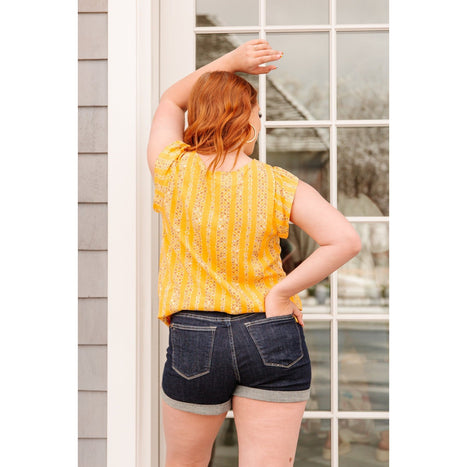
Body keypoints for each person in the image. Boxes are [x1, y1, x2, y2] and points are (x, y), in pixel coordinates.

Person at [146, 39, 361, 467]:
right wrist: (281, 294)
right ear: (245, 122)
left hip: (195, 336)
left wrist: (232, 63)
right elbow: (345, 240)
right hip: (270, 331)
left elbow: (172, 98)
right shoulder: (277, 183)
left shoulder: (172, 169)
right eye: (259, 114)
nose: (260, 123)